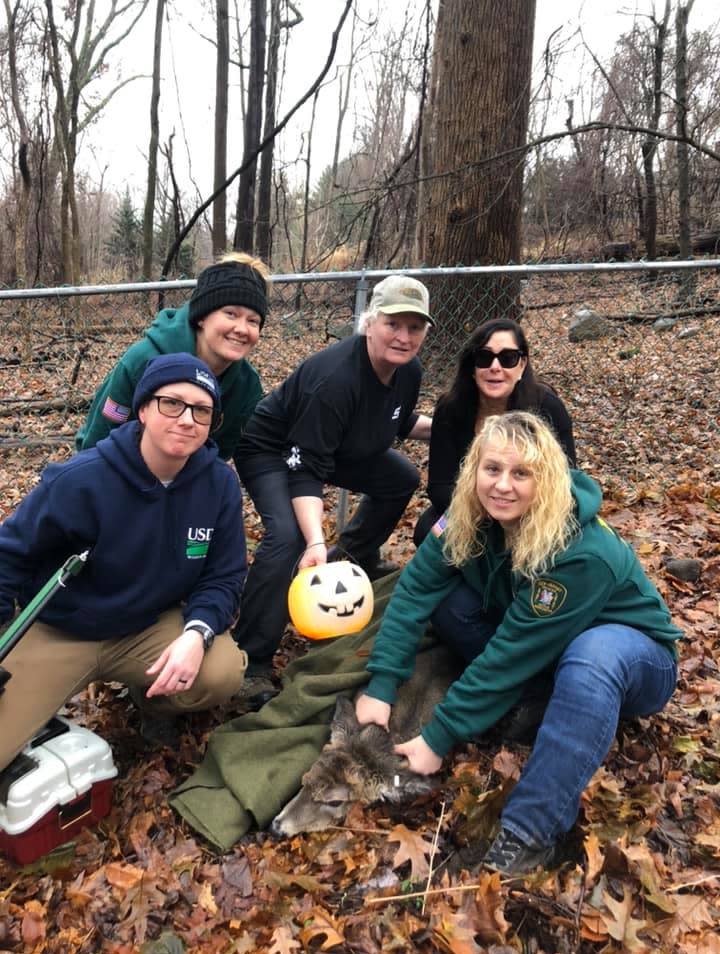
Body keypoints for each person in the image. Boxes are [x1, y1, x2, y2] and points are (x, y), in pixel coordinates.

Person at [357, 411, 680, 876]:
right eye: (492, 469)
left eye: (521, 473)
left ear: (545, 479)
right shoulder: (469, 512)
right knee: (449, 598)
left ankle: (530, 831)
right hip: (546, 640)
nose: (502, 485)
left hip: (636, 658)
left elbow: (510, 652)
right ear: (475, 471)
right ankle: (537, 701)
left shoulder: (580, 552)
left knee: (590, 659)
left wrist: (439, 736)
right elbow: (416, 588)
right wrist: (383, 684)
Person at [0, 353, 249, 767]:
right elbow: (9, 553)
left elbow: (225, 576)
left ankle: (150, 700)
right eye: (172, 403)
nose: (187, 419)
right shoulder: (80, 479)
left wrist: (196, 634)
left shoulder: (218, 484)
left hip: (146, 627)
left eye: (202, 411)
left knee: (221, 671)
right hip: (62, 628)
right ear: (144, 409)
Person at [233, 275, 434, 689]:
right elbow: (307, 468)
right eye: (393, 324)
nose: (403, 336)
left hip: (334, 446)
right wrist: (313, 541)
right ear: (370, 323)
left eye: (414, 327)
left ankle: (354, 556)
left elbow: (398, 421)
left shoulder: (408, 370)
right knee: (288, 536)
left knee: (401, 477)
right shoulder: (336, 378)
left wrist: (456, 425)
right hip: (273, 449)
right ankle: (251, 657)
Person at [76, 253, 268, 469]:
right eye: (231, 314)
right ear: (202, 317)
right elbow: (98, 439)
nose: (242, 329)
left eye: (253, 321)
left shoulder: (246, 385)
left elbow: (218, 454)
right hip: (118, 474)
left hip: (184, 484)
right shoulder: (142, 360)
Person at [414, 318, 576, 545]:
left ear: (522, 365)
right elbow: (440, 486)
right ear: (472, 367)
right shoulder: (450, 408)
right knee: (429, 530)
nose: (495, 367)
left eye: (508, 358)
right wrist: (485, 510)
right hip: (471, 508)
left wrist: (512, 513)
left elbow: (568, 480)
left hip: (531, 510)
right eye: (484, 357)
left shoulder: (547, 408)